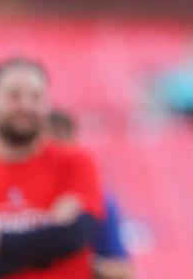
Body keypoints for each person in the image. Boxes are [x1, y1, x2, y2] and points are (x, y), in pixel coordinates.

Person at [0, 57, 105, 278]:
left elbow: (74, 237)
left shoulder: (76, 163)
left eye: (36, 96)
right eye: (14, 95)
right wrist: (48, 241)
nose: (26, 105)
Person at [46, 110, 133, 279]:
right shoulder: (18, 194)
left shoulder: (98, 199)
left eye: (61, 145)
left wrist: (81, 264)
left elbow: (123, 270)